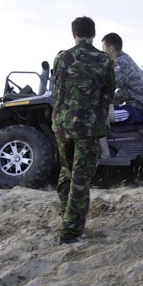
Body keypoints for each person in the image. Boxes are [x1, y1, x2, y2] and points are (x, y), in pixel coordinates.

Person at [51, 16, 115, 245]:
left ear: (74, 34)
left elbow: (57, 87)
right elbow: (109, 93)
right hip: (88, 129)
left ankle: (65, 214)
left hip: (63, 126)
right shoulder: (104, 60)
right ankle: (69, 233)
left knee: (67, 171)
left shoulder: (61, 58)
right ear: (94, 34)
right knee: (80, 179)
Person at [101, 32, 143, 124]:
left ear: (111, 49)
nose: (102, 52)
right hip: (138, 107)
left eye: (103, 48)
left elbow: (107, 86)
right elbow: (124, 92)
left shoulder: (121, 64)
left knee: (101, 117)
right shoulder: (123, 59)